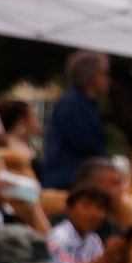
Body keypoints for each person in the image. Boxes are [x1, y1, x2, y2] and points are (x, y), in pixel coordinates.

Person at [33, 54, 112, 191]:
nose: (108, 80)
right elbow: (86, 143)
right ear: (91, 76)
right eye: (104, 74)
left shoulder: (85, 104)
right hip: (67, 182)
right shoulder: (72, 103)